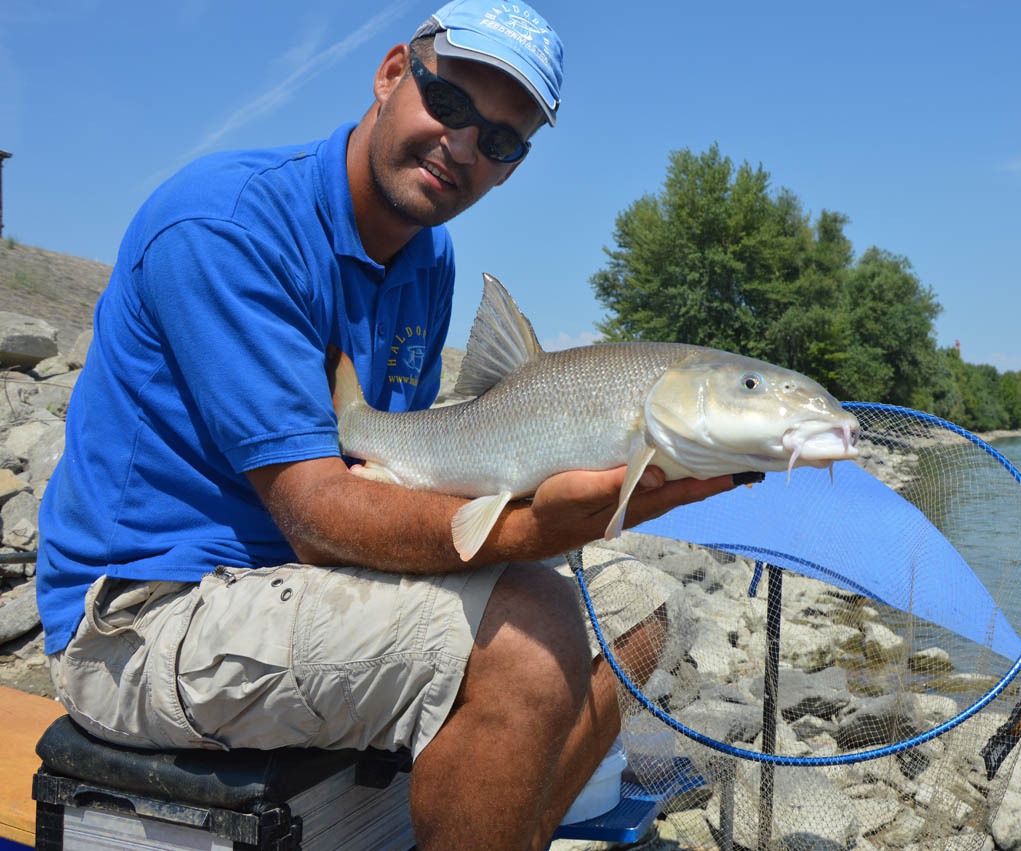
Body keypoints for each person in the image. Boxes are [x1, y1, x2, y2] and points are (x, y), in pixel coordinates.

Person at [35, 2, 737, 848]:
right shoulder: (227, 226)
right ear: (392, 73)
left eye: (503, 141)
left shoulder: (426, 258)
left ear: (514, 167)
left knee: (642, 606)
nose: (466, 146)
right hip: (145, 617)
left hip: (300, 579)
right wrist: (522, 526)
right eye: (450, 105)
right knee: (530, 638)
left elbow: (389, 481)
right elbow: (321, 514)